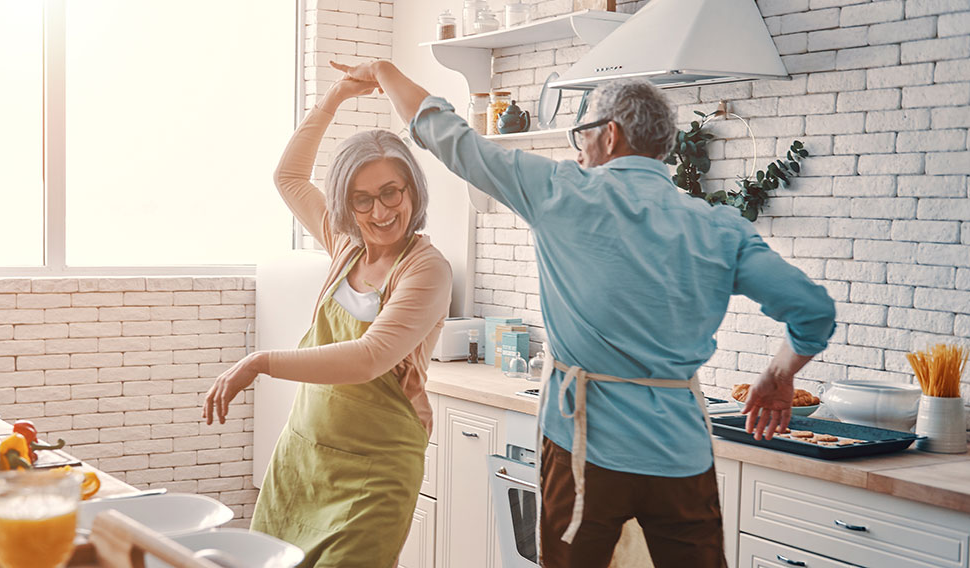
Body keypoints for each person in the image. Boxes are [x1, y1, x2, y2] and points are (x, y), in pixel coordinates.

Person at [332, 60, 836, 568]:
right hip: (680, 456)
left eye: (582, 133)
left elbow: (447, 134)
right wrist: (777, 375)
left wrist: (383, 71)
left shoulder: (560, 192)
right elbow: (814, 313)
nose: (578, 148)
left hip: (582, 452)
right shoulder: (718, 227)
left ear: (609, 135)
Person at [201, 75, 452, 566]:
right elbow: (289, 178)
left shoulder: (426, 268)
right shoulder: (345, 246)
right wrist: (335, 97)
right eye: (362, 199)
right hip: (304, 456)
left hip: (375, 472)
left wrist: (260, 362)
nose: (379, 210)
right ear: (345, 204)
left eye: (391, 192)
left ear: (411, 191)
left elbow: (369, 357)